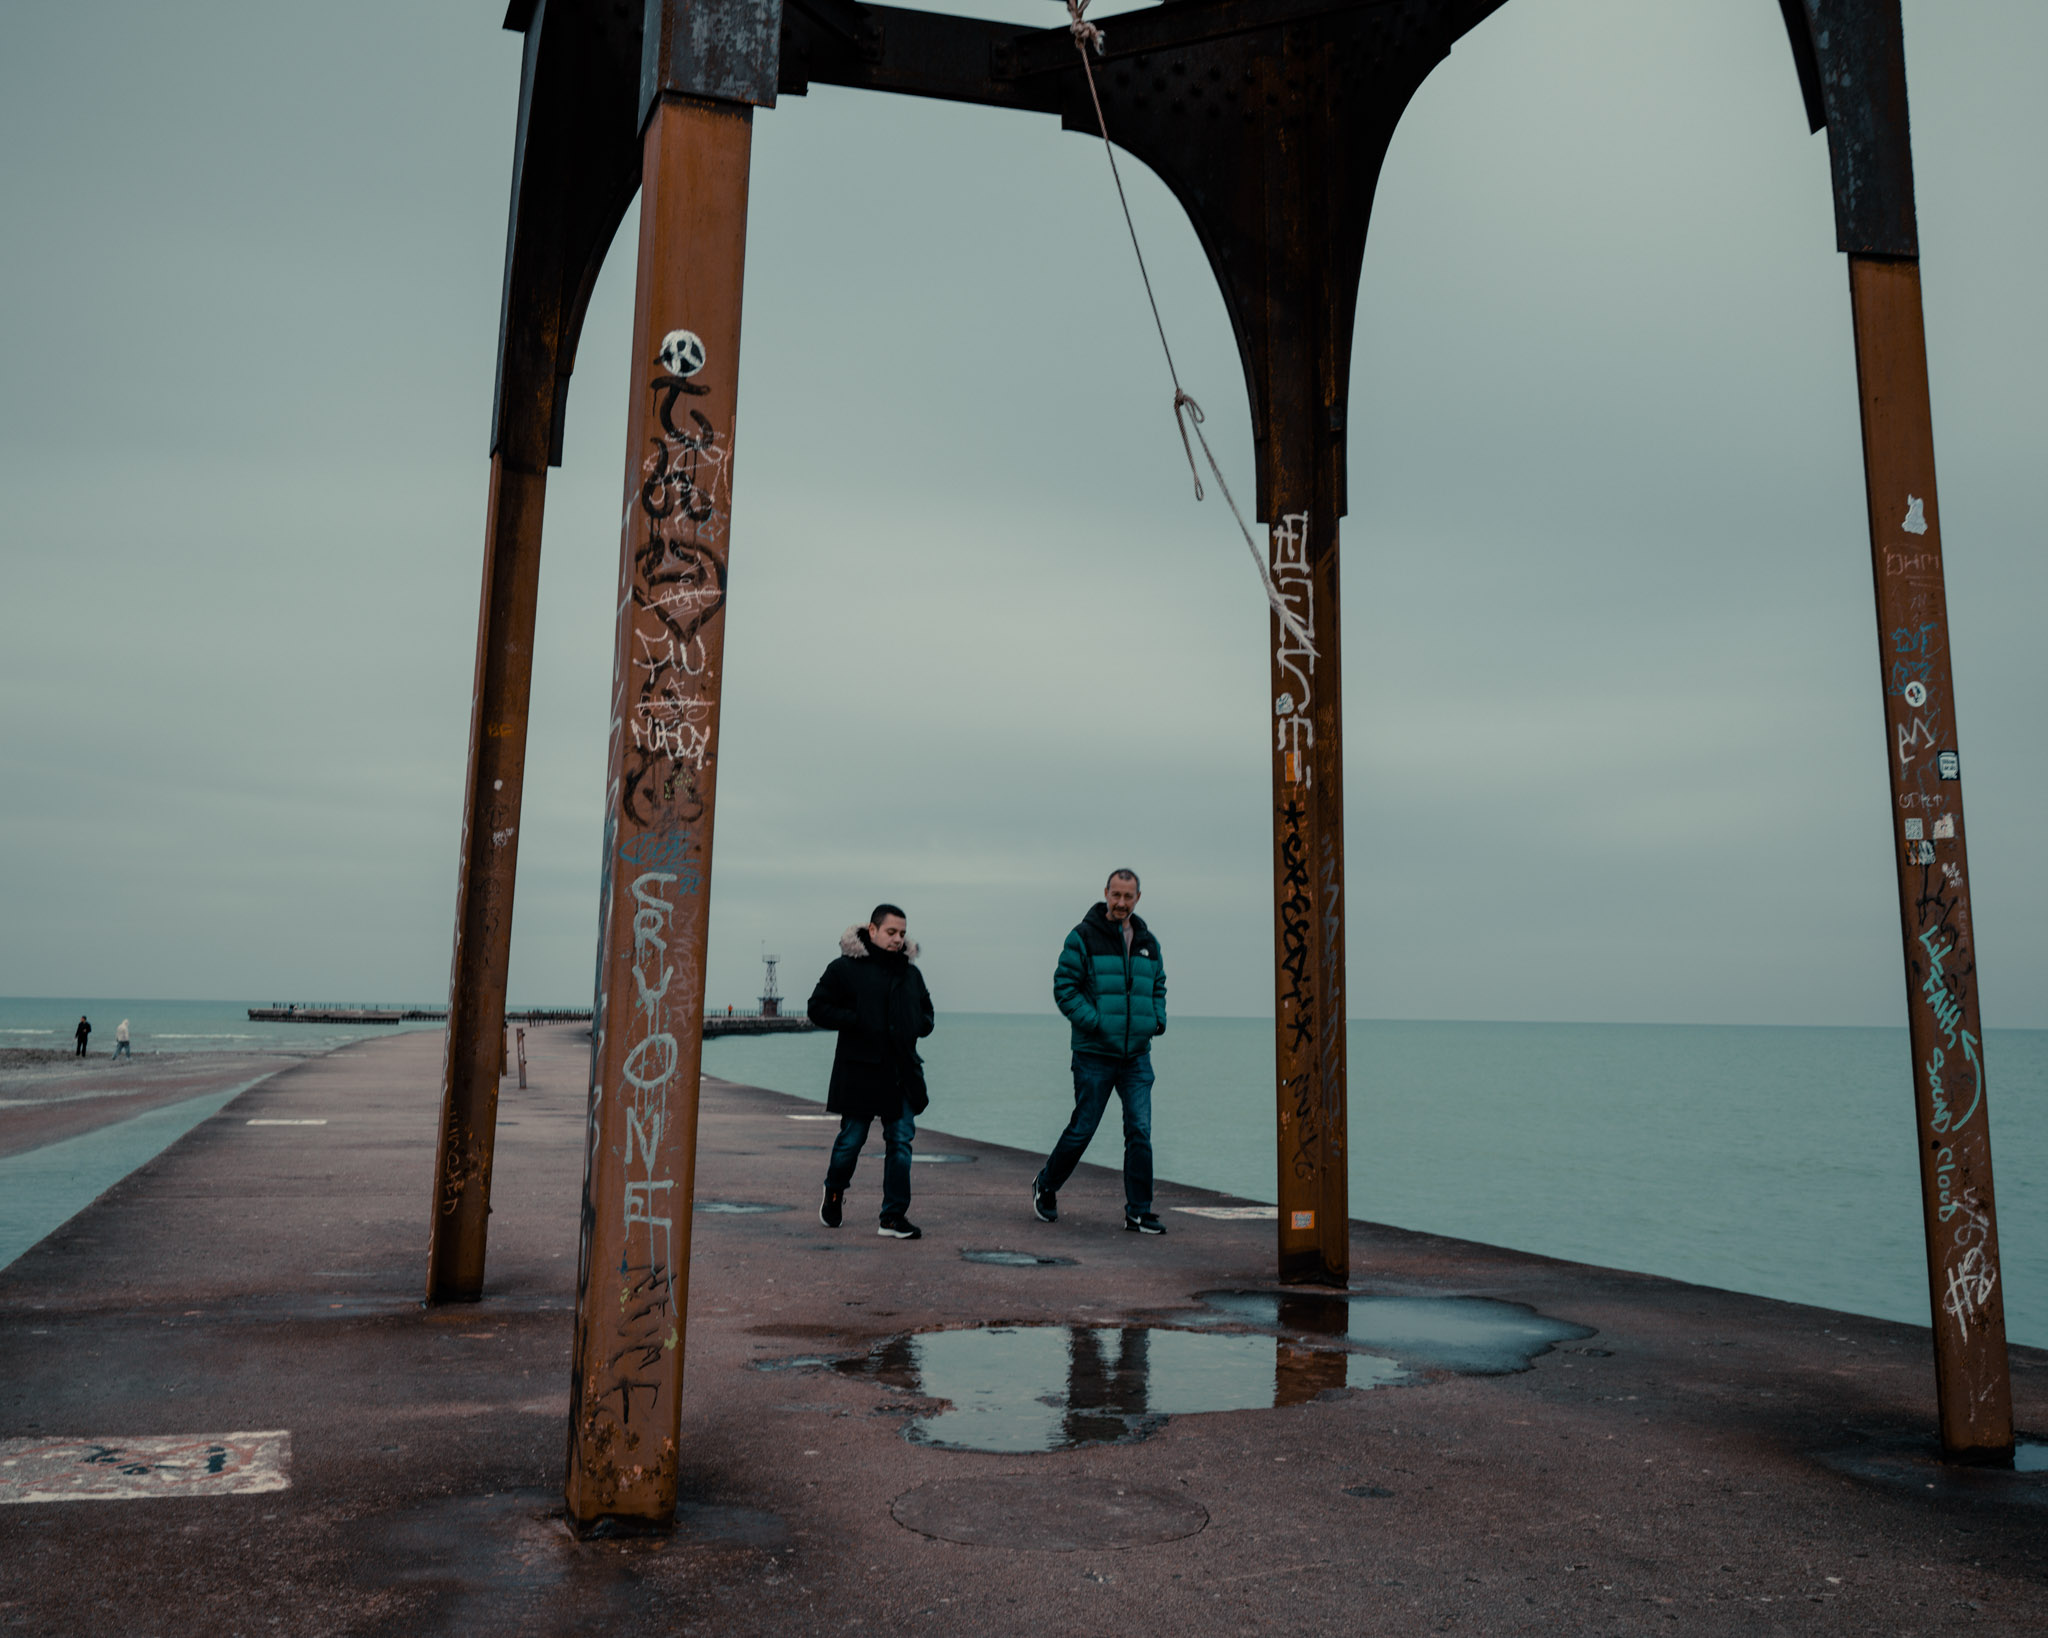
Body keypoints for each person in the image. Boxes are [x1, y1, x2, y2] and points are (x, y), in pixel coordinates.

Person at [1033, 869, 1168, 1234]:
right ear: (1106, 893)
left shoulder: (1147, 941)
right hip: (1094, 1053)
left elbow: (1158, 984)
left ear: (1138, 897)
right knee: (1083, 1128)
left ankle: (1138, 1211)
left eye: (1129, 896)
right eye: (1116, 895)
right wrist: (1094, 1022)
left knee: (1139, 1130)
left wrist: (1157, 1018)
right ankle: (1046, 1185)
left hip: (1137, 1055)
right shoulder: (1083, 937)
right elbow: (1065, 988)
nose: (1122, 902)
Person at [808, 904, 935, 1240]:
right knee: (852, 1140)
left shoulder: (910, 973)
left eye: (903, 933)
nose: (898, 939)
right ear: (873, 930)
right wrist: (857, 1020)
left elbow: (927, 1013)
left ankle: (892, 1216)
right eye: (891, 932)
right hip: (860, 1070)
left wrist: (917, 1025)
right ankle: (834, 1191)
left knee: (901, 1142)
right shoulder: (844, 969)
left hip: (901, 1072)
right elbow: (816, 1008)